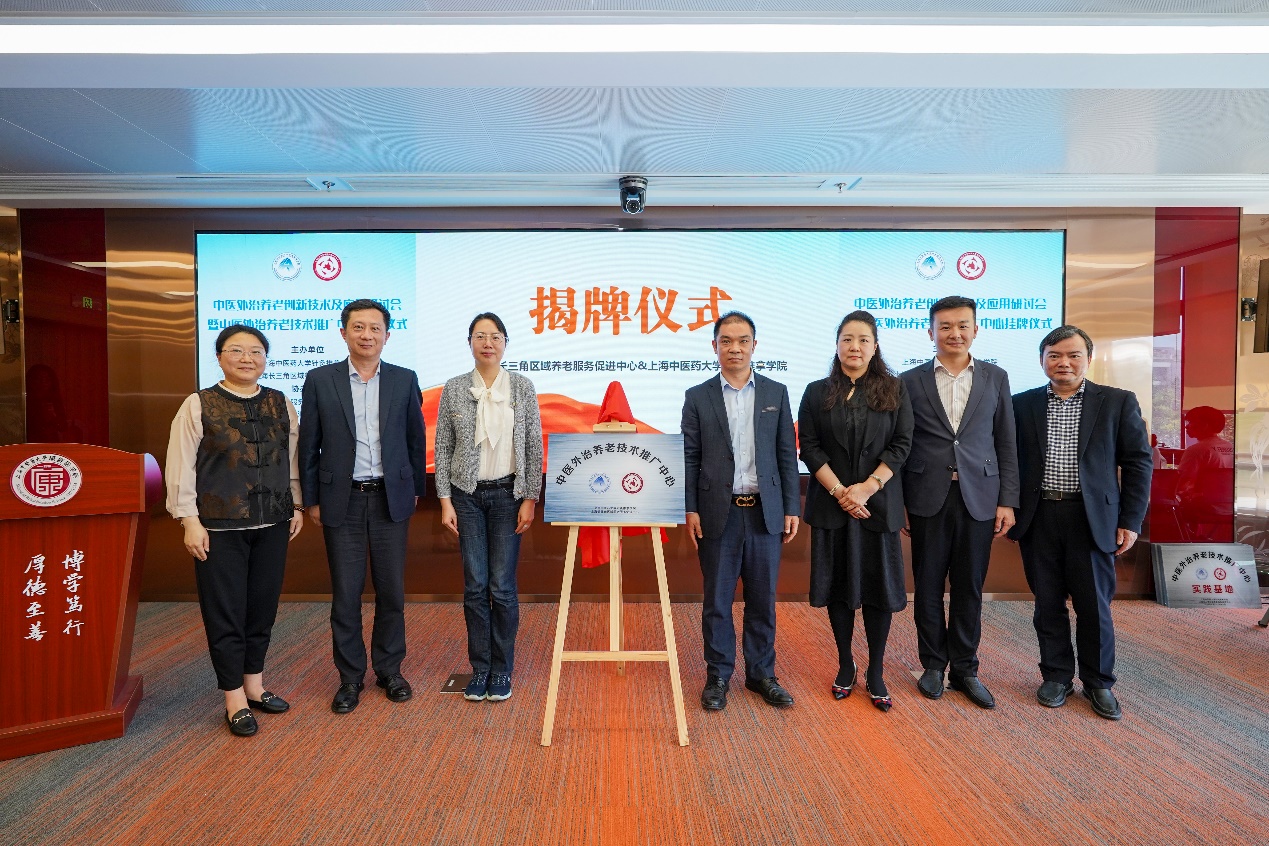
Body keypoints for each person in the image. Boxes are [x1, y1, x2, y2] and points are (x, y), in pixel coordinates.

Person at [165, 324, 304, 737]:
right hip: (218, 525)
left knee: (262, 608)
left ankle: (255, 685)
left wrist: (296, 503)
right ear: (219, 356)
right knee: (225, 611)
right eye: (237, 350)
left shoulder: (280, 402)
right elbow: (180, 464)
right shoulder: (198, 404)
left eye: (256, 351)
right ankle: (233, 697)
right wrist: (189, 519)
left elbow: (290, 458)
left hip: (273, 522)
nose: (247, 358)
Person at [1009, 325, 1152, 720]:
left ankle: (1098, 681)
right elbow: (1009, 461)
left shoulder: (1117, 401)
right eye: (1054, 355)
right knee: (1047, 603)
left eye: (1073, 355)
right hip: (1039, 516)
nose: (1064, 363)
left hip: (1093, 518)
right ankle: (1056, 676)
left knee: (1094, 605)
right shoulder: (1021, 404)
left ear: (1088, 359)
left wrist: (1131, 520)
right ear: (1042, 360)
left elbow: (1138, 463)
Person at [298, 298, 427, 714]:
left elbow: (415, 440)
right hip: (343, 500)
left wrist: (413, 490)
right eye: (358, 327)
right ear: (343, 333)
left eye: (375, 328)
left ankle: (389, 670)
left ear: (387, 335)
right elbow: (309, 444)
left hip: (390, 498)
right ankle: (350, 677)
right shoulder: (320, 380)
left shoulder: (404, 379)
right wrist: (312, 499)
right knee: (346, 594)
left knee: (391, 591)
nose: (366, 335)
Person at [900, 295, 1019, 710]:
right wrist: (900, 502)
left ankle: (966, 669)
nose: (954, 333)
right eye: (945, 326)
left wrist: (1007, 500)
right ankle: (933, 664)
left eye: (962, 325)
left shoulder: (995, 377)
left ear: (976, 329)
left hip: (980, 496)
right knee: (928, 584)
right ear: (930, 331)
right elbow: (901, 445)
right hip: (926, 496)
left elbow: (1006, 441)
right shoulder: (909, 380)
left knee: (969, 586)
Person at [682, 311, 801, 711]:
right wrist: (691, 508)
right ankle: (718, 675)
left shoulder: (775, 393)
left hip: (765, 511)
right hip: (719, 512)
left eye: (743, 340)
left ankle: (761, 674)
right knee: (717, 600)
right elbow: (690, 456)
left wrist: (791, 506)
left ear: (754, 345)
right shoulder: (697, 396)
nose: (735, 348)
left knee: (762, 599)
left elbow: (786, 454)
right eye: (726, 341)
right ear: (714, 346)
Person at [799, 311, 912, 711]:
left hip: (877, 506)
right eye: (847, 339)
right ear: (837, 345)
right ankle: (846, 664)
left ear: (875, 346)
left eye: (864, 340)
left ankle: (876, 670)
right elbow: (809, 447)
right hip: (833, 509)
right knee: (839, 589)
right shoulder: (816, 392)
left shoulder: (894, 389)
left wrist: (866, 489)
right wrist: (840, 492)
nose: (855, 346)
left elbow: (901, 444)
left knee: (879, 591)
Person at [435, 313, 543, 703]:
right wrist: (444, 500)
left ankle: (502, 669)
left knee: (503, 586)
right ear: (470, 343)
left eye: (495, 337)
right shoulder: (454, 387)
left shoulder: (522, 386)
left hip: (508, 496)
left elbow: (534, 444)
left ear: (505, 343)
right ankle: (480, 668)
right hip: (466, 496)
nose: (488, 343)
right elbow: (443, 446)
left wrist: (530, 497)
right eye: (480, 336)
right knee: (475, 585)